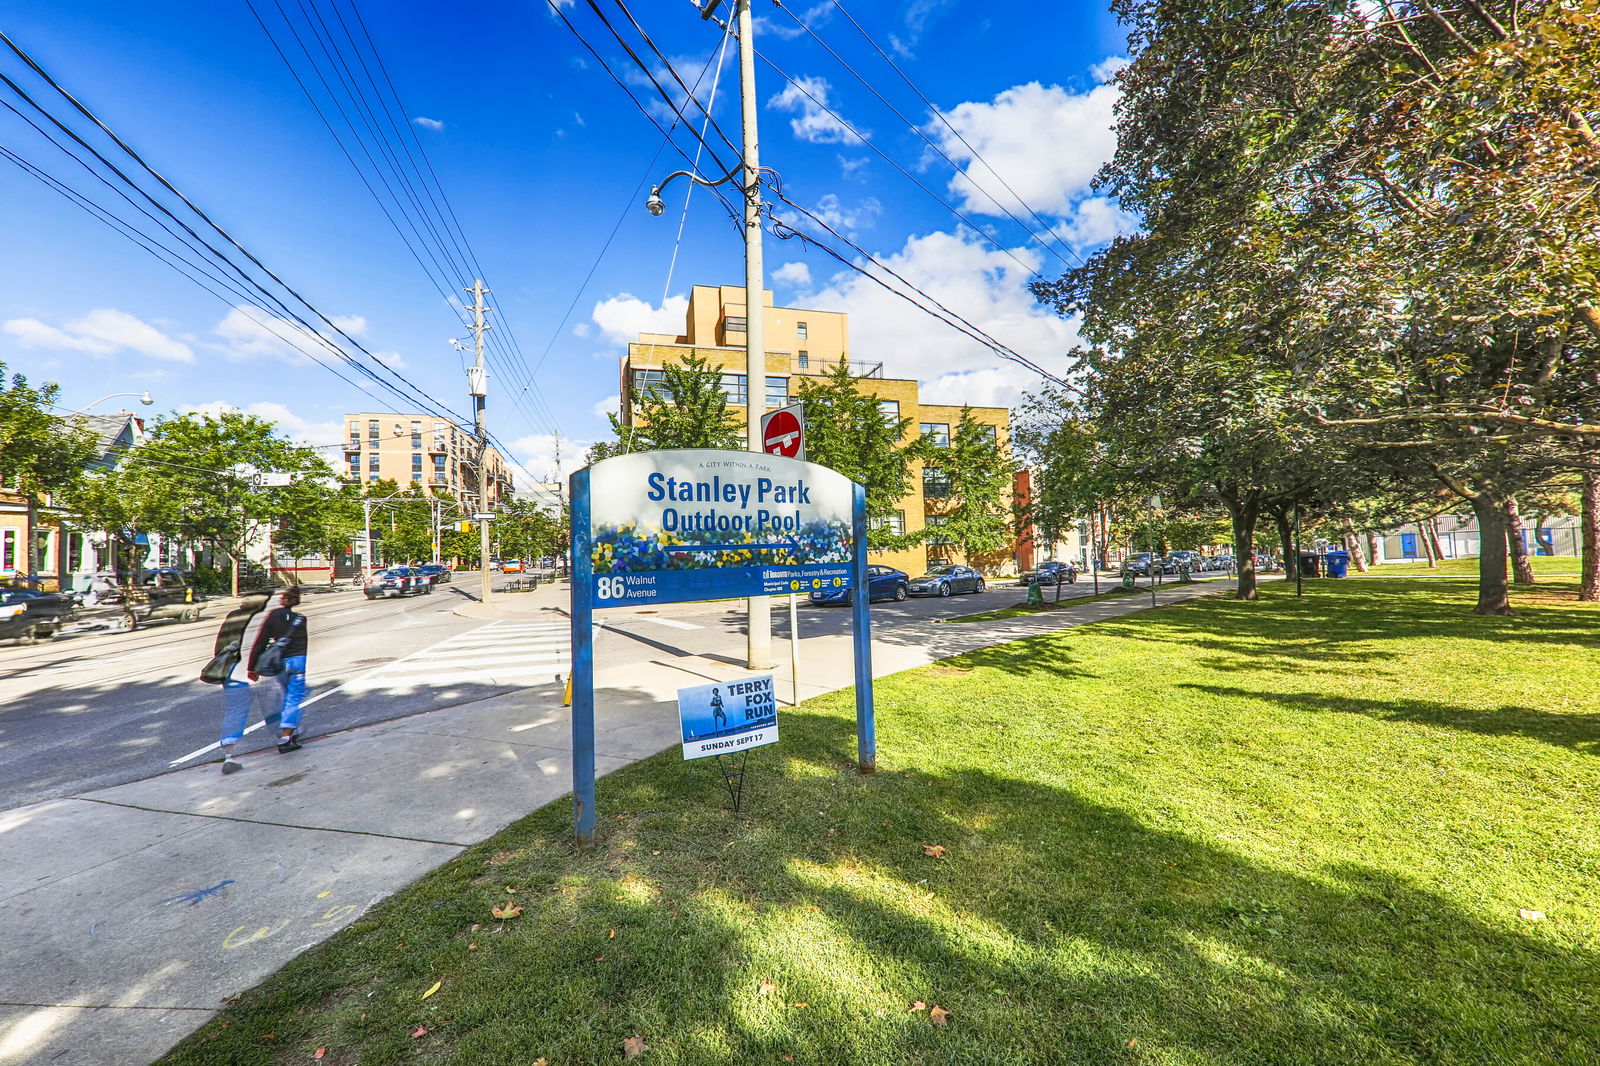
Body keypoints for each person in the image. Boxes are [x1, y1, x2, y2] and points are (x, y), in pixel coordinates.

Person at [247, 585, 309, 755]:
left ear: (283, 599)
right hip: (299, 661)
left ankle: (291, 731)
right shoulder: (301, 619)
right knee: (293, 699)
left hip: (280, 663)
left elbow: (261, 641)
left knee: (286, 696)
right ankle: (286, 738)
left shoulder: (273, 616)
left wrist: (252, 667)